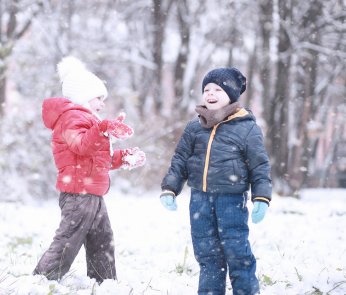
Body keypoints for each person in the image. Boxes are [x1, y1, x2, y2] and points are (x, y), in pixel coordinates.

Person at [34, 56, 146, 283]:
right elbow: (82, 146)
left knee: (102, 239)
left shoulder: (88, 121)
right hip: (77, 194)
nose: (102, 104)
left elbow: (96, 158)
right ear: (82, 96)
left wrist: (123, 157)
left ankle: (104, 282)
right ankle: (42, 280)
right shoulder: (70, 118)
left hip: (92, 193)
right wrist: (104, 128)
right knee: (69, 239)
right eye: (98, 97)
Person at [160, 67, 271, 295]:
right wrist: (170, 188)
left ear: (231, 94)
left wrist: (261, 197)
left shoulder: (247, 127)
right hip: (199, 200)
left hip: (231, 200)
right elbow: (180, 159)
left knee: (237, 252)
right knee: (207, 254)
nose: (210, 92)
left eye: (218, 89)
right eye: (207, 88)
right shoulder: (194, 127)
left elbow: (259, 165)